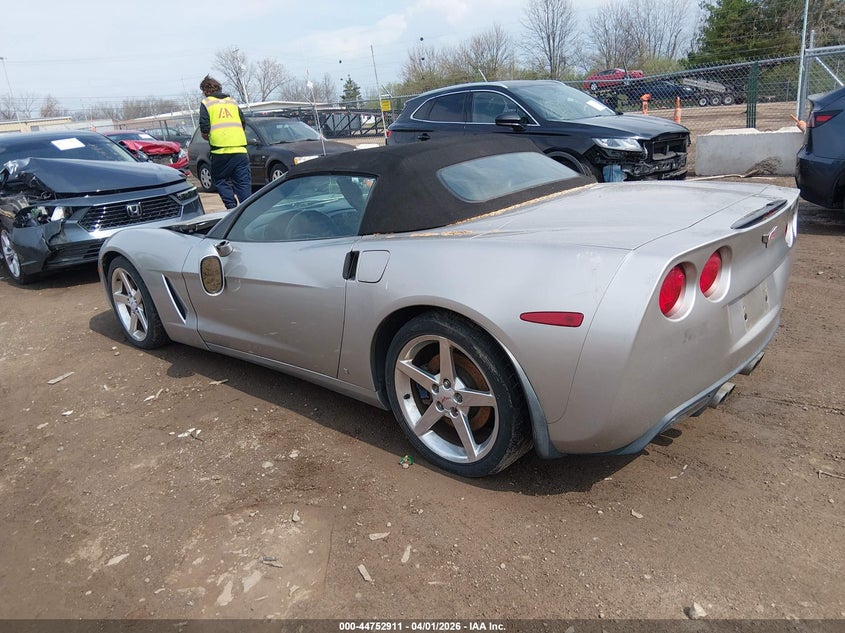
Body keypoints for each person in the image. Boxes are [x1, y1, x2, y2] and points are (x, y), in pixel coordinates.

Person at [198, 75, 251, 209]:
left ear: (205, 91)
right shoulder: (232, 102)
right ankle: (247, 208)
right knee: (243, 183)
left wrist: (209, 137)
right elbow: (243, 122)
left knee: (220, 180)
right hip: (240, 150)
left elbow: (205, 128)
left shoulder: (207, 103)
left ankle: (231, 207)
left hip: (220, 150)